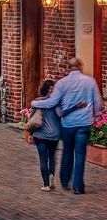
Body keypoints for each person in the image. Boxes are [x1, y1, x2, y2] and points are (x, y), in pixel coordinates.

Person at [29, 58, 103, 195]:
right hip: (84, 123)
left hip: (68, 124)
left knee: (67, 152)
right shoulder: (90, 81)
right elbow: (98, 103)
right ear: (80, 66)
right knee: (80, 154)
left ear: (68, 68)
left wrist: (34, 103)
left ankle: (64, 180)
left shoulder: (62, 84)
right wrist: (97, 114)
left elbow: (51, 102)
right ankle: (78, 186)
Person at [25, 79, 62, 191]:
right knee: (52, 156)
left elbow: (32, 119)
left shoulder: (38, 102)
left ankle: (46, 185)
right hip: (54, 135)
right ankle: (51, 176)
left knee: (43, 158)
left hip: (40, 135)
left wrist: (30, 133)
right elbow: (60, 115)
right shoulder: (56, 103)